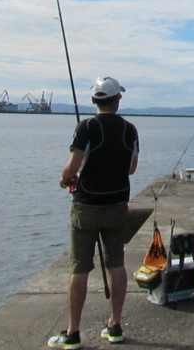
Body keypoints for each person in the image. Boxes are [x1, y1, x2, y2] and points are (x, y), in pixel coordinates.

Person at [48, 77, 140, 349]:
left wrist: (66, 179)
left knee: (80, 267)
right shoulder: (130, 130)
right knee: (116, 264)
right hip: (117, 205)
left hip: (86, 207)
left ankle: (73, 332)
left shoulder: (86, 127)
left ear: (94, 100)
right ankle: (115, 325)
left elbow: (72, 166)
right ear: (117, 99)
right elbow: (131, 168)